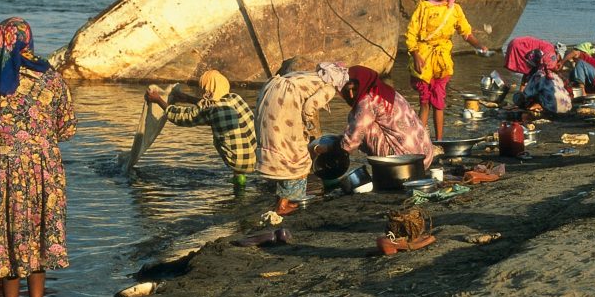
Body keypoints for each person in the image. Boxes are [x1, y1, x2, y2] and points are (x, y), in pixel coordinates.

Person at [0, 17, 76, 297]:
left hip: (6, 172)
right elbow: (68, 128)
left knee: (8, 246)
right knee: (38, 243)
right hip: (46, 171)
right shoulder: (53, 80)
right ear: (29, 40)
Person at [405, 0, 488, 140]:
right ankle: (420, 141)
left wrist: (479, 46)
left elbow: (466, 32)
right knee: (424, 101)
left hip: (442, 60)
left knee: (439, 101)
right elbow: (411, 33)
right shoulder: (423, 7)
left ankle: (440, 140)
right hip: (424, 57)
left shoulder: (455, 10)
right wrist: (415, 55)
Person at [255, 58, 336, 216]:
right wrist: (308, 124)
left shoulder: (309, 76)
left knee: (281, 151)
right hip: (285, 101)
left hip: (269, 94)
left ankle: (282, 200)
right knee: (297, 157)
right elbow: (309, 107)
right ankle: (285, 204)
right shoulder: (330, 87)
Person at [144, 70, 256, 186]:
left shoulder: (211, 109)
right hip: (255, 158)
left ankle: (238, 182)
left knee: (221, 141)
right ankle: (239, 178)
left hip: (237, 162)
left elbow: (180, 117)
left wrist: (158, 100)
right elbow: (210, 105)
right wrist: (188, 99)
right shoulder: (235, 98)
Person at [335, 66, 435, 168]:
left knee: (362, 126)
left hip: (405, 162)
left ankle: (383, 167)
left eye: (351, 90)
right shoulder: (387, 92)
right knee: (360, 122)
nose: (349, 96)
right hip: (425, 157)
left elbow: (353, 138)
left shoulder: (368, 100)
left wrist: (336, 151)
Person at [517, 47, 573, 115]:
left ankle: (541, 107)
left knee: (524, 96)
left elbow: (526, 96)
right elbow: (570, 92)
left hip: (552, 109)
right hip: (568, 108)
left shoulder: (538, 76)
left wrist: (518, 100)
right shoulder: (558, 75)